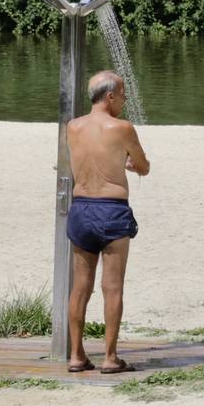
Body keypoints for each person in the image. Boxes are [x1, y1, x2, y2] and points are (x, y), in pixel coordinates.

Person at [64, 70, 151, 374]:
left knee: (80, 287)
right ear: (110, 96)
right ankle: (110, 357)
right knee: (112, 287)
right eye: (123, 94)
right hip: (111, 209)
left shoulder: (72, 127)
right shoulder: (122, 127)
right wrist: (130, 163)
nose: (125, 99)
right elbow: (143, 166)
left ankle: (76, 355)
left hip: (81, 208)